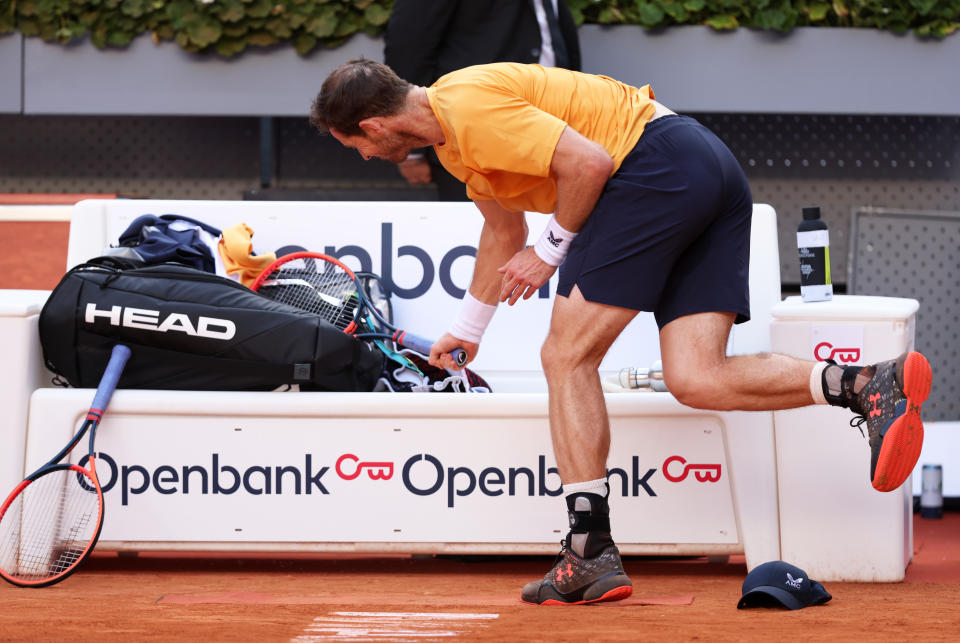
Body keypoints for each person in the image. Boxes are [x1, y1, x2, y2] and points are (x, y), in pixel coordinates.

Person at [308, 59, 933, 605]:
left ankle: (588, 551)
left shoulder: (464, 103)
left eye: (351, 144)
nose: (361, 155)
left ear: (374, 126)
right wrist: (468, 330)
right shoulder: (454, 143)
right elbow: (503, 236)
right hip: (702, 166)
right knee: (697, 377)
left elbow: (589, 164)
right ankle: (865, 385)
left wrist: (551, 251)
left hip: (653, 168)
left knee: (565, 356)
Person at [383, 0, 580, 201]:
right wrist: (411, 145)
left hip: (552, 128)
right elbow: (409, 43)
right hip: (472, 134)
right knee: (479, 228)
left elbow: (551, 31)